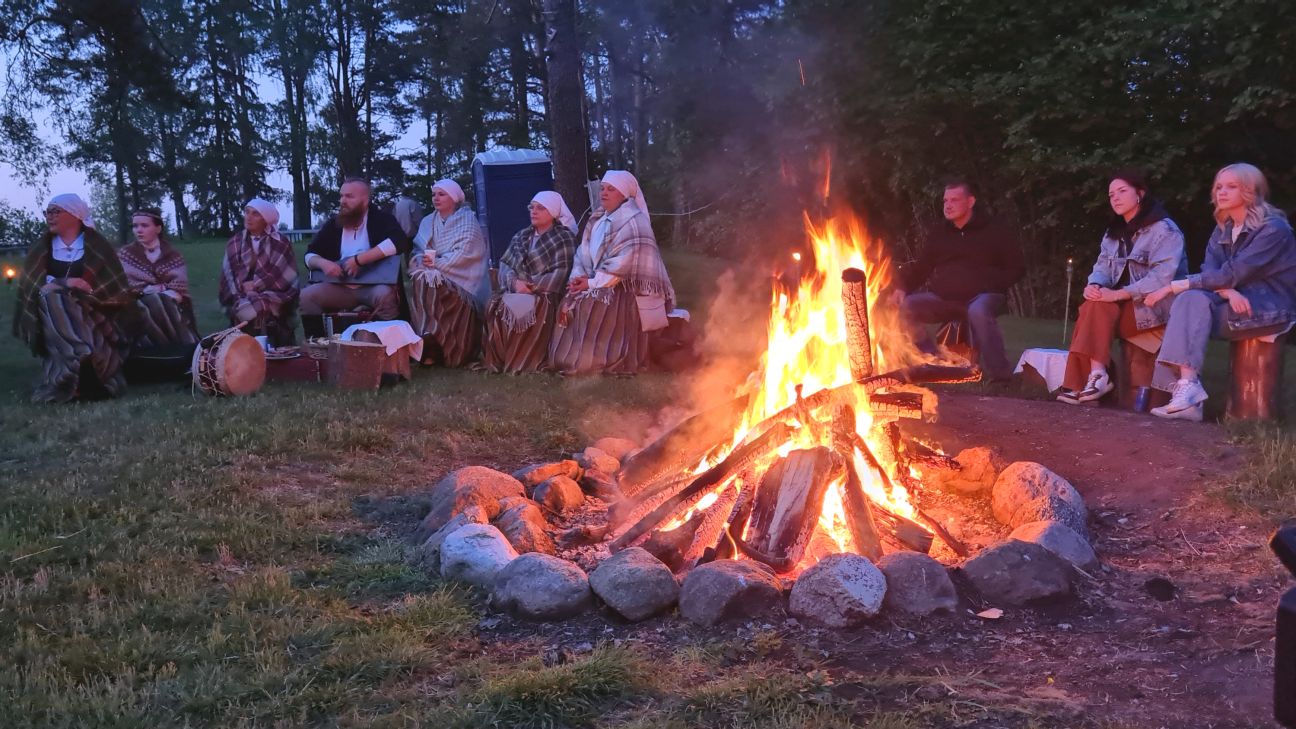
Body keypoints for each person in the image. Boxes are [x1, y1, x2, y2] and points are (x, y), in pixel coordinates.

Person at [1143, 163, 1296, 421]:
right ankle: (1188, 389)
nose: (1221, 192)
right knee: (1190, 300)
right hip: (1231, 305)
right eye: (1219, 187)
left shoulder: (1273, 229)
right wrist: (1229, 293)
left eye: (1231, 186)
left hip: (1266, 310)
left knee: (1186, 300)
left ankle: (1188, 392)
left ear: (1250, 190)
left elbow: (1230, 274)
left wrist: (1172, 286)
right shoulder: (1222, 229)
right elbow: (1211, 271)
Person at [1056, 173, 1187, 404]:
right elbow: (1102, 267)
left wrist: (1116, 294)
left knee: (1093, 311)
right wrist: (1094, 285)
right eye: (1111, 195)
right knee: (1093, 304)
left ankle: (1086, 381)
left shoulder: (1164, 230)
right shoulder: (1114, 233)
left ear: (1140, 194)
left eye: (1122, 191)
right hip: (1124, 306)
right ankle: (1096, 377)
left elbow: (1161, 278)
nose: (1115, 198)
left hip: (1155, 307)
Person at [893, 179, 1025, 381]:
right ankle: (936, 362)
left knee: (978, 312)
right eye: (945, 200)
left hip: (983, 296)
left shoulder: (994, 231)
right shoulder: (939, 233)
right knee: (906, 307)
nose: (948, 205)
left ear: (970, 202)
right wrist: (902, 288)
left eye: (955, 200)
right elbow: (922, 267)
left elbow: (1017, 268)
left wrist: (990, 284)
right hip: (944, 298)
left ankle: (1000, 376)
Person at [549, 170, 675, 375]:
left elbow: (622, 265)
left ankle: (602, 359)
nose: (604, 193)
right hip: (597, 282)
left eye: (611, 189)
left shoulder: (635, 222)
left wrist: (590, 284)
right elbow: (583, 253)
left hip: (624, 292)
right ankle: (566, 358)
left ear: (624, 194)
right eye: (603, 189)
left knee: (591, 304)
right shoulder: (596, 220)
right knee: (569, 302)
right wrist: (578, 278)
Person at [12, 194, 133, 403]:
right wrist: (65, 284)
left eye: (55, 211)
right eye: (47, 212)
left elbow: (113, 291)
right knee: (53, 301)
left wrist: (70, 292)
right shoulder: (41, 250)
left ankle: (82, 371)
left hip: (93, 316)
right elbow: (31, 292)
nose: (49, 216)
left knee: (57, 301)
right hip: (50, 319)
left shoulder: (98, 247)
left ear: (75, 215)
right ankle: (83, 364)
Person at [482, 191, 578, 373]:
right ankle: (502, 360)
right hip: (517, 288)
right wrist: (514, 283)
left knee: (527, 307)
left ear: (553, 212)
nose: (534, 211)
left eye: (541, 208)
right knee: (497, 305)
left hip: (545, 294)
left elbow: (561, 273)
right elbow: (505, 264)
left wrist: (530, 287)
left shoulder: (564, 238)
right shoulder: (521, 236)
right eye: (532, 207)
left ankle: (524, 361)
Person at [301, 178, 412, 322]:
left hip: (374, 287)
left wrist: (359, 260)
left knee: (384, 295)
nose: (342, 201)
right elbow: (310, 254)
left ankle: (392, 340)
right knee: (306, 296)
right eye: (341, 196)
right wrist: (322, 263)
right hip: (340, 286)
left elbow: (399, 241)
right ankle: (319, 341)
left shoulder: (382, 219)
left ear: (365, 200)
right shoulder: (333, 225)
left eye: (349, 196)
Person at [409, 178, 490, 366]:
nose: (436, 198)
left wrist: (437, 264)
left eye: (441, 194)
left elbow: (467, 255)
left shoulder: (468, 221)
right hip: (432, 274)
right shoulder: (428, 222)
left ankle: (445, 349)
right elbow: (418, 250)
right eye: (434, 194)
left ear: (453, 198)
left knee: (426, 281)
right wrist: (423, 261)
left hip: (462, 280)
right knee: (422, 280)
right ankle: (428, 340)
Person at [118, 208, 200, 351]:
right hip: (138, 300)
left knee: (165, 300)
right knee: (157, 301)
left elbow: (178, 285)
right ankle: (185, 346)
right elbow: (125, 284)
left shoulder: (173, 254)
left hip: (171, 298)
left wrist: (163, 291)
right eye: (135, 226)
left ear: (158, 228)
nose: (139, 230)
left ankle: (174, 349)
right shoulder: (126, 254)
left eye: (144, 225)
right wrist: (150, 290)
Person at [219, 198, 300, 343]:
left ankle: (273, 347)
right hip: (241, 295)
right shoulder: (235, 243)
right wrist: (243, 288)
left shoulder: (280, 242)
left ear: (265, 219)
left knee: (262, 307)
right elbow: (229, 276)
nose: (249, 217)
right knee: (248, 308)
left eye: (255, 214)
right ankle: (246, 349)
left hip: (275, 293)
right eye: (247, 212)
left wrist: (257, 284)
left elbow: (285, 276)